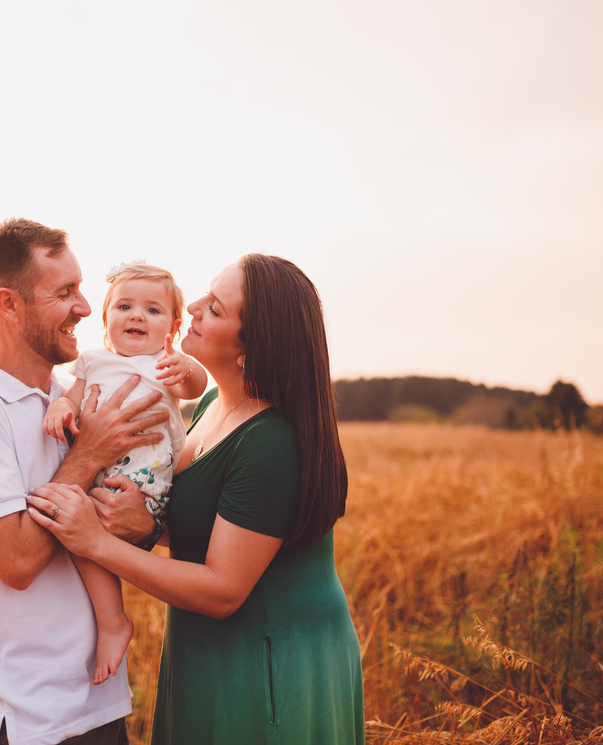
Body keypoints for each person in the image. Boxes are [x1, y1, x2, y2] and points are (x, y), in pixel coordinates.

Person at [29, 254, 365, 745]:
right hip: (204, 649)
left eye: (217, 308)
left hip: (271, 668)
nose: (195, 308)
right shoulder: (209, 406)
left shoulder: (271, 441)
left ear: (251, 346)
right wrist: (145, 526)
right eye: (205, 295)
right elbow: (210, 525)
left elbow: (222, 590)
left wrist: (97, 543)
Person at [0, 219, 170, 745]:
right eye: (64, 293)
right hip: (29, 717)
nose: (85, 307)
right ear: (9, 305)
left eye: (81, 288)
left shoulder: (72, 397)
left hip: (99, 699)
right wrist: (88, 457)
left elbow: (109, 523)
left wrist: (143, 522)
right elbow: (14, 561)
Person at [42, 260, 208, 685]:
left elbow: (197, 386)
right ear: (106, 319)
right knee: (82, 537)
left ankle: (112, 622)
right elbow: (73, 397)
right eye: (125, 306)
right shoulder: (93, 361)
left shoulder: (165, 365)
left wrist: (187, 368)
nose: (137, 315)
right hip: (101, 478)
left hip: (146, 482)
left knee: (90, 538)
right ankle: (112, 621)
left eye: (153, 311)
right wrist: (60, 407)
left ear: (171, 328)